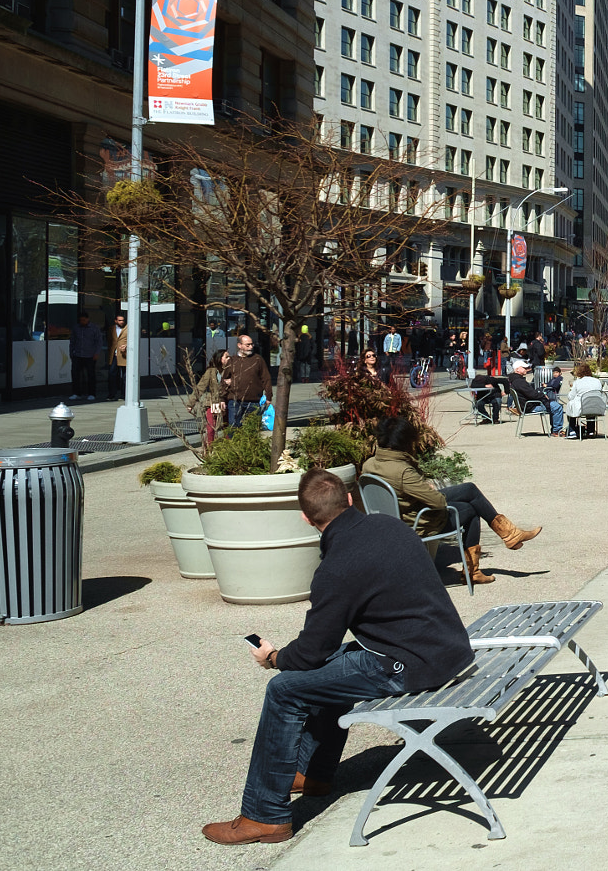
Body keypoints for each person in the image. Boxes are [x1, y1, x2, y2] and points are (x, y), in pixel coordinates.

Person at [202, 468, 474, 846]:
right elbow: (323, 653)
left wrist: (275, 657)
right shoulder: (388, 525)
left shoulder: (336, 566)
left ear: (306, 517)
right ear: (349, 499)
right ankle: (314, 773)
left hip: (411, 664)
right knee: (333, 669)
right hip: (444, 648)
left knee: (284, 690)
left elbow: (313, 650)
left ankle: (264, 815)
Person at [360, 417, 539, 586]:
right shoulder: (402, 471)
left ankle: (508, 536)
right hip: (418, 523)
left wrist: (422, 489)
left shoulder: (369, 464)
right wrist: (427, 489)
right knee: (472, 506)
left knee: (470, 492)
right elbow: (438, 503)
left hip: (394, 520)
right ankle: (480, 564)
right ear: (405, 442)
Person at [224, 333, 271, 428]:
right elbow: (223, 380)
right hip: (235, 400)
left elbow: (266, 378)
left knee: (252, 428)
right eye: (247, 345)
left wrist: (268, 396)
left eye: (251, 344)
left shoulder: (258, 359)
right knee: (233, 427)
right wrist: (221, 399)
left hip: (253, 400)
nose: (251, 347)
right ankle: (235, 443)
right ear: (239, 345)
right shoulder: (232, 361)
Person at [188, 351, 231, 435]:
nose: (229, 359)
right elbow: (200, 387)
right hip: (212, 402)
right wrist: (190, 404)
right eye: (226, 357)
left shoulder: (231, 371)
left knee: (227, 428)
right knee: (211, 428)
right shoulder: (211, 371)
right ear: (220, 359)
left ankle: (227, 446)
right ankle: (209, 447)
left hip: (227, 402)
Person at [68, 310, 105, 402]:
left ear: (87, 319)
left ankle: (91, 393)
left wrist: (96, 353)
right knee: (76, 375)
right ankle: (76, 393)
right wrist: (71, 353)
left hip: (90, 355)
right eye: (81, 320)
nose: (82, 322)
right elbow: (72, 341)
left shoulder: (94, 328)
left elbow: (99, 341)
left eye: (84, 320)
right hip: (78, 354)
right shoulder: (76, 328)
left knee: (91, 375)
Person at [108, 313, 130, 399]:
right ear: (116, 321)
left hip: (124, 355)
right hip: (113, 355)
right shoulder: (111, 329)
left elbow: (133, 340)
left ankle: (124, 394)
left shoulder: (128, 328)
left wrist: (127, 346)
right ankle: (112, 394)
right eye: (119, 320)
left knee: (125, 375)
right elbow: (110, 341)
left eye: (123, 320)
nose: (121, 322)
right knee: (112, 374)